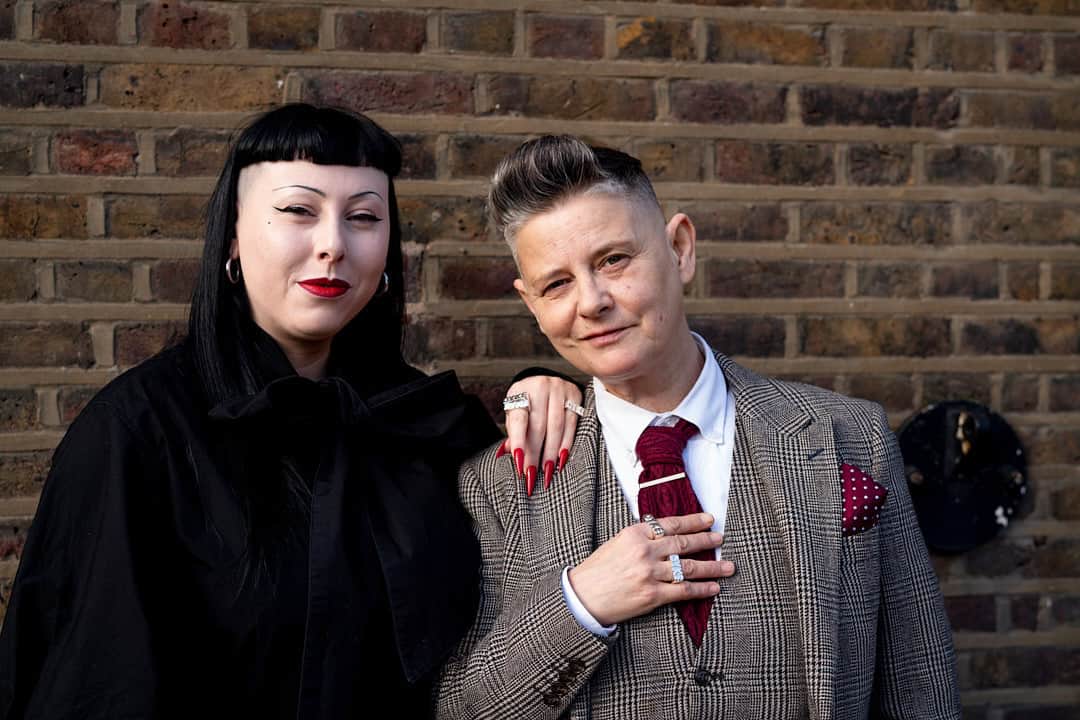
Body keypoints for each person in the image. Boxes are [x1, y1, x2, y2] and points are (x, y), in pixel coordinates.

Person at [0, 105, 582, 720]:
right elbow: (98, 684)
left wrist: (537, 387)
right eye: (298, 211)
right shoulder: (137, 432)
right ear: (232, 235)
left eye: (363, 217)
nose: (332, 244)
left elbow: (510, 631)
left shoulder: (422, 421)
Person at [435, 136, 961, 719]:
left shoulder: (848, 436)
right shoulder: (499, 485)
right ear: (530, 303)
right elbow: (464, 708)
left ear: (679, 248)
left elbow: (921, 682)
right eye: (556, 283)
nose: (591, 302)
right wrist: (579, 606)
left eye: (613, 260)